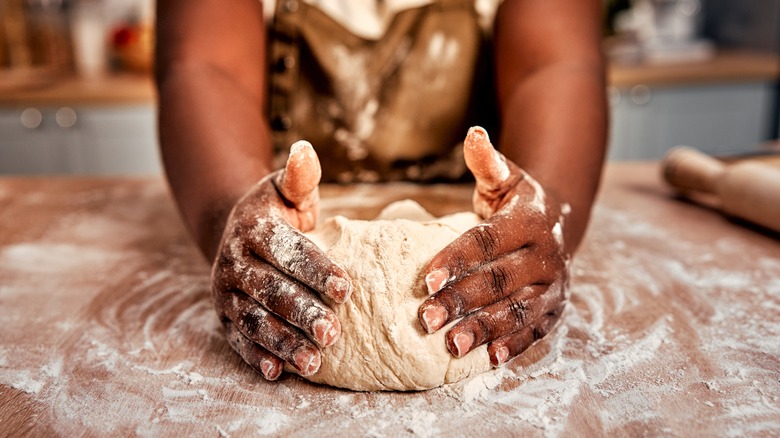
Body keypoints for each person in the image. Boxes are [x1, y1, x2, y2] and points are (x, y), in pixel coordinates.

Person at [155, 0, 608, 381]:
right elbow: (203, 65)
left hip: (477, 213)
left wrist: (548, 208)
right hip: (289, 220)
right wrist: (232, 211)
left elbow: (556, 63)